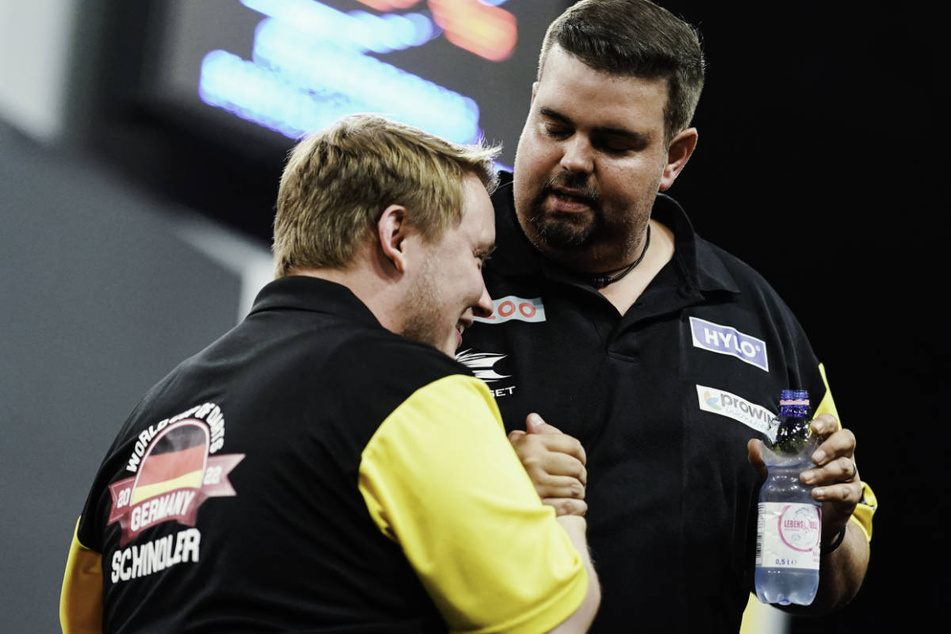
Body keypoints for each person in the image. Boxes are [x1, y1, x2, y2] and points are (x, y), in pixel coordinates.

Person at [59, 114, 601, 633]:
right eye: (478, 257)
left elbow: (82, 621)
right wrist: (556, 506)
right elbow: (553, 619)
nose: (485, 298)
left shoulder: (151, 416)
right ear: (397, 237)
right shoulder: (414, 390)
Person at [457, 1, 877, 631]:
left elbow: (836, 579)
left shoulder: (761, 321)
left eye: (612, 142)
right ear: (534, 100)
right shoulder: (445, 254)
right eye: (554, 125)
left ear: (675, 157)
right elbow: (325, 463)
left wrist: (822, 532)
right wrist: (479, 487)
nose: (574, 158)